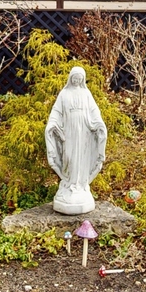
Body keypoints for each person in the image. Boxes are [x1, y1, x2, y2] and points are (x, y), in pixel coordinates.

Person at [44, 66, 108, 214]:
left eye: (80, 78)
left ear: (83, 79)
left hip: (84, 131)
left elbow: (94, 111)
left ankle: (80, 185)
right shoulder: (64, 94)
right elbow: (56, 112)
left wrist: (99, 123)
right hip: (69, 131)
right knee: (69, 157)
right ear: (71, 78)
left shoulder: (86, 94)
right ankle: (68, 183)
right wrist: (52, 124)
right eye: (75, 78)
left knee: (82, 158)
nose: (77, 80)